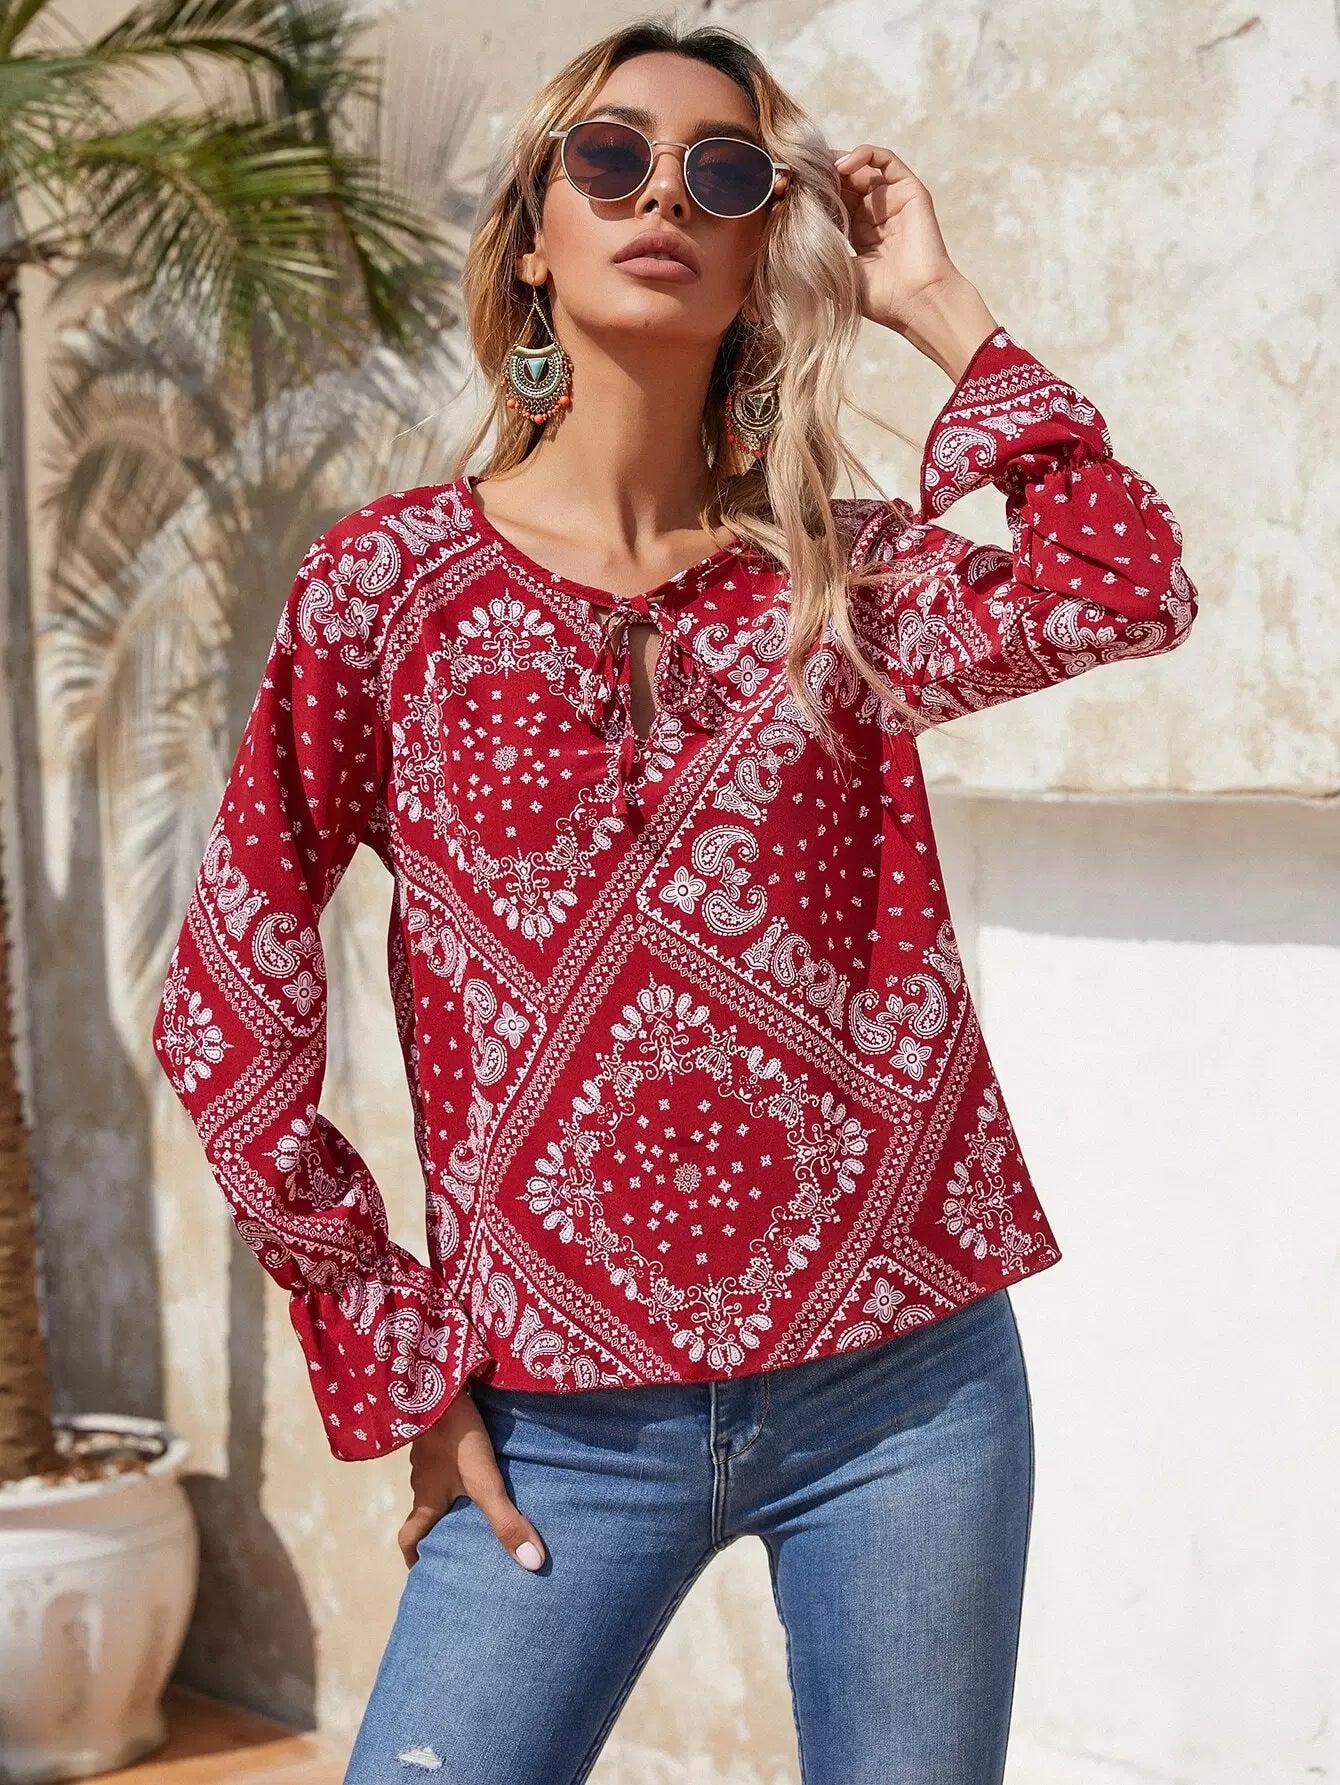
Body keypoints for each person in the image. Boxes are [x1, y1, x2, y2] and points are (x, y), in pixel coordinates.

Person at [151, 17, 1198, 1785]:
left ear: (762, 249)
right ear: (531, 237)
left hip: (908, 1390)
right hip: (556, 1418)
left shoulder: (839, 582)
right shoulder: (386, 590)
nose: (665, 198)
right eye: (612, 158)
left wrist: (938, 307)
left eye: (723, 174)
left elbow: (1126, 584)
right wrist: (396, 1346)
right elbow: (228, 1002)